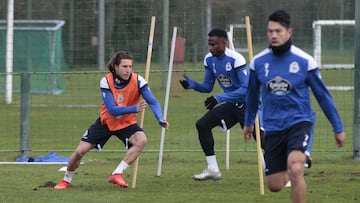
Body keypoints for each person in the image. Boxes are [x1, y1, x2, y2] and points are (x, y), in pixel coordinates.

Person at [243, 10, 345, 203]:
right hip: (273, 127)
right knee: (274, 185)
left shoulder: (305, 61)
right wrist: (248, 123)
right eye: (270, 31)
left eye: (278, 31)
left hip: (300, 122)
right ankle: (298, 158)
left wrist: (338, 128)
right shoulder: (258, 63)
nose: (273, 35)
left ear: (289, 32)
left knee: (295, 168)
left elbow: (323, 96)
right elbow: (251, 96)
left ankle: (299, 158)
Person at [54, 51, 169, 189]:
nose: (128, 70)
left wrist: (160, 117)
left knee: (141, 140)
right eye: (124, 66)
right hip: (106, 122)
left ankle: (117, 173)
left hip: (127, 123)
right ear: (115, 67)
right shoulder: (106, 81)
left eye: (130, 66)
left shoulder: (139, 81)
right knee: (79, 152)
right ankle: (66, 179)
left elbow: (153, 101)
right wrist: (134, 108)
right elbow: (112, 109)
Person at [179, 28, 264, 181]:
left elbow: (246, 89)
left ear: (224, 43)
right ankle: (213, 169)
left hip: (249, 105)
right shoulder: (209, 60)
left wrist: (219, 98)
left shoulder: (236, 59)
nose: (211, 48)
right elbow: (207, 87)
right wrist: (193, 85)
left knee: (262, 139)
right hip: (231, 105)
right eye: (209, 45)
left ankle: (283, 167)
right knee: (202, 125)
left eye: (215, 45)